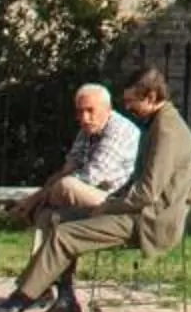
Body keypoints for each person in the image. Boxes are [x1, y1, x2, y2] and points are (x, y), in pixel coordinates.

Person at [0, 68, 191, 312]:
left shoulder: (167, 130)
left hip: (149, 221)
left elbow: (147, 193)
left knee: (65, 233)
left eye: (132, 102)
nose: (127, 108)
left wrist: (106, 207)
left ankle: (14, 305)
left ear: (150, 96)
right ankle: (65, 301)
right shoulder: (157, 123)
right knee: (52, 217)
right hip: (133, 210)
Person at [10, 82, 140, 235]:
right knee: (48, 211)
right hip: (92, 194)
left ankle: (27, 210)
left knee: (65, 186)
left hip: (117, 201)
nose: (84, 118)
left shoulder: (119, 130)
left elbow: (92, 176)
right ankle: (34, 221)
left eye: (90, 110)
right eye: (80, 112)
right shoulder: (88, 129)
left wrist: (36, 197)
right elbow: (68, 168)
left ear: (107, 109)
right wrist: (44, 190)